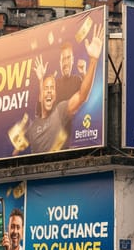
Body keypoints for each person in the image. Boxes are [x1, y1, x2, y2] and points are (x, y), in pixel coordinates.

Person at [15, 23, 104, 155]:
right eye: (63, 59)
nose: (66, 62)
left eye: (68, 58)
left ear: (73, 60)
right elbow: (42, 106)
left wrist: (92, 61)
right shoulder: (36, 126)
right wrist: (41, 80)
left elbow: (83, 95)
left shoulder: (67, 98)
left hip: (71, 143)